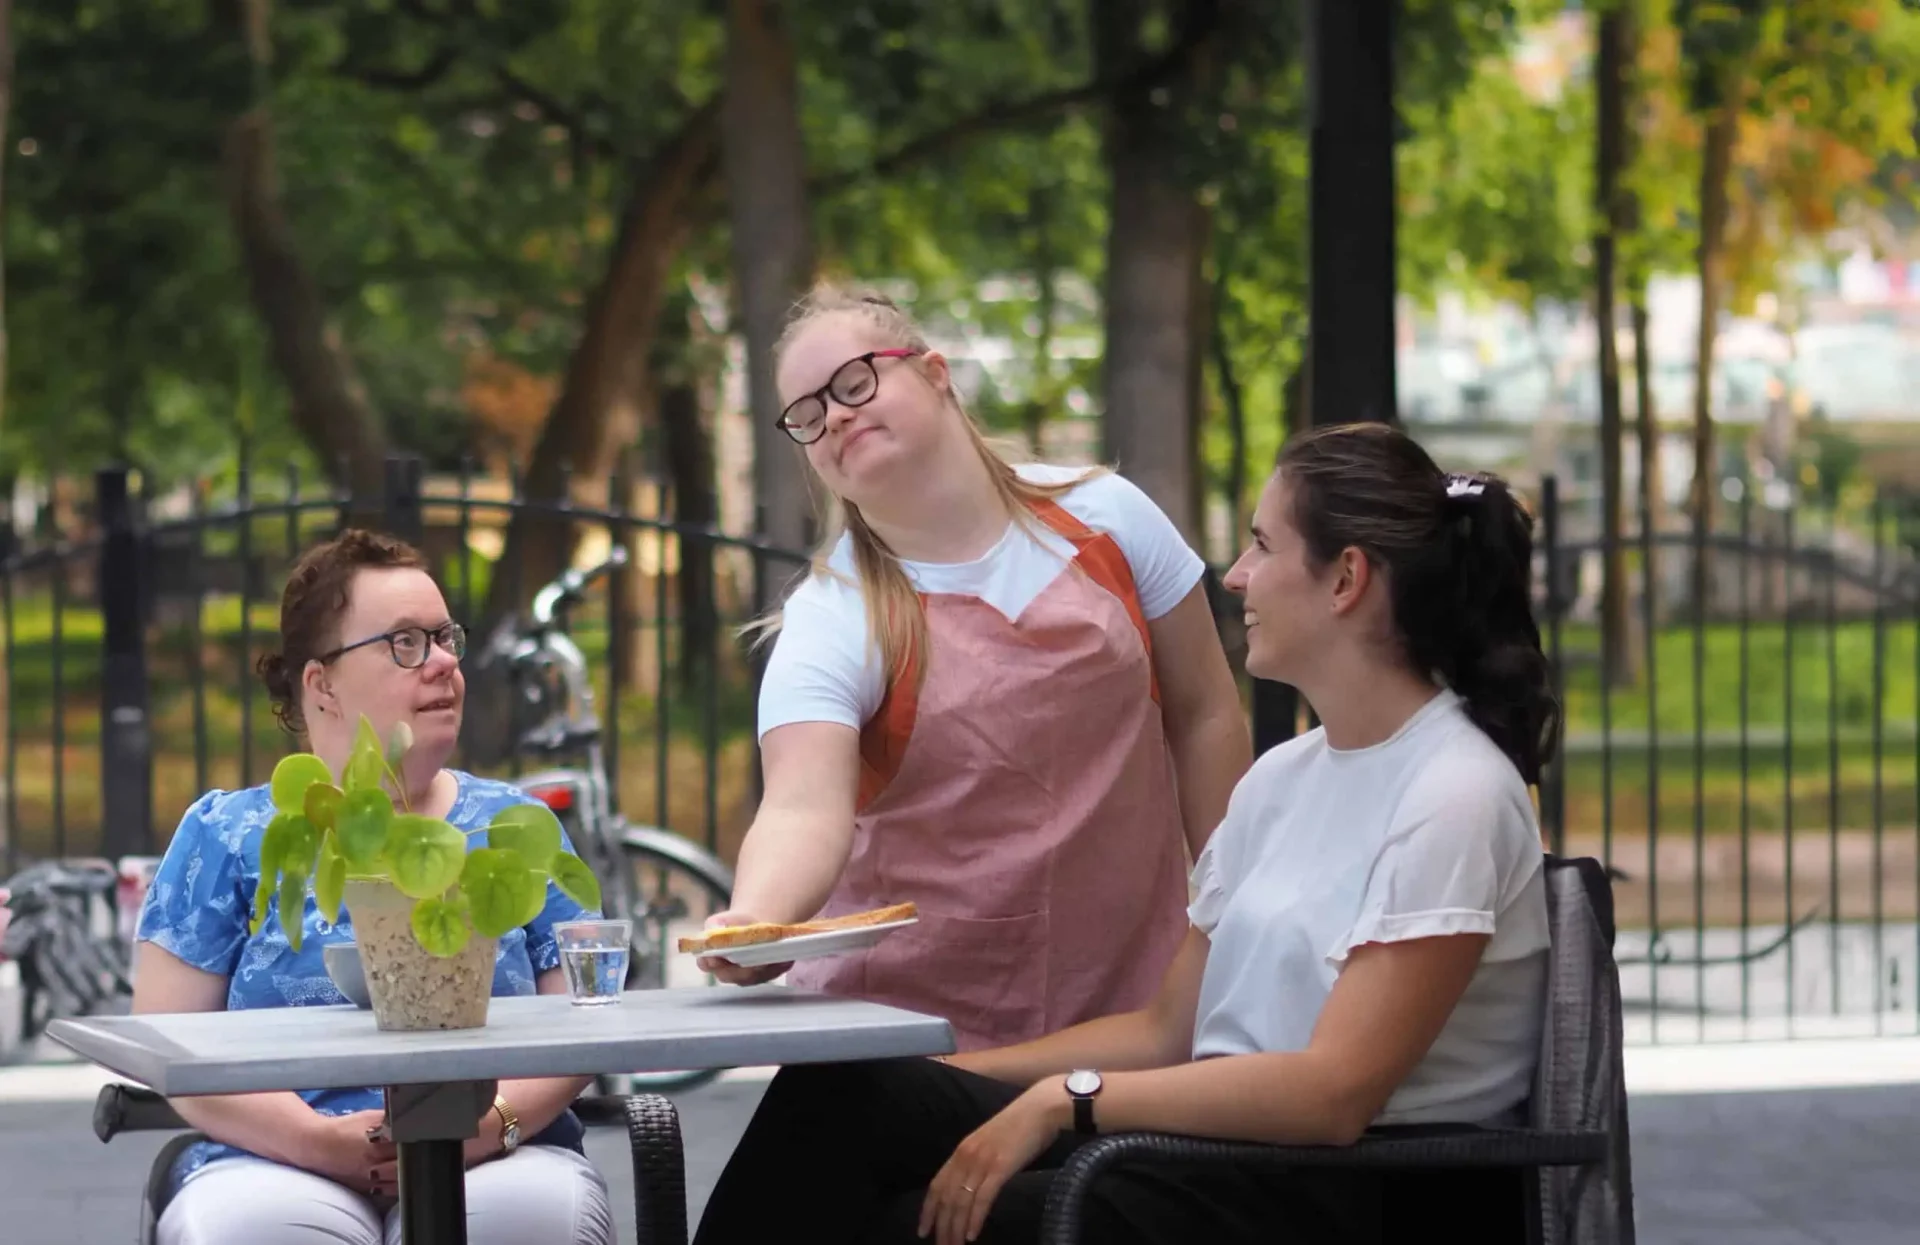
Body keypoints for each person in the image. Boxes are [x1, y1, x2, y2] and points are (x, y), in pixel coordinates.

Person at [693, 422, 1560, 1245]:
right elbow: (1164, 1031)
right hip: (1222, 1158)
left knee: (916, 1225)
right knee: (849, 1099)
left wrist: (1064, 1100)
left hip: (1357, 1190)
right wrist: (943, 1082)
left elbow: (1333, 1093)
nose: (1234, 575)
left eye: (1262, 544)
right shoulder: (1282, 782)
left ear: (1346, 579)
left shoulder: (1455, 790)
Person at [699, 286, 1249, 1050]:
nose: (837, 415)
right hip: (909, 1038)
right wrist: (758, 916)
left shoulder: (1110, 516)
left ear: (934, 372)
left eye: (854, 382)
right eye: (809, 414)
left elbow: (1206, 713)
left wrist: (1233, 907)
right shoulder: (833, 615)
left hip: (1128, 1018)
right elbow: (799, 807)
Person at [132, 530, 614, 1245]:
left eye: (445, 637)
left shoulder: (516, 828)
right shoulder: (229, 835)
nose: (446, 661)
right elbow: (164, 1041)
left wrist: (494, 1123)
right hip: (274, 1160)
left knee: (530, 1220)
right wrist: (314, 1139)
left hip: (500, 1154)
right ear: (320, 682)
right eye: (405, 642)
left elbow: (584, 1020)